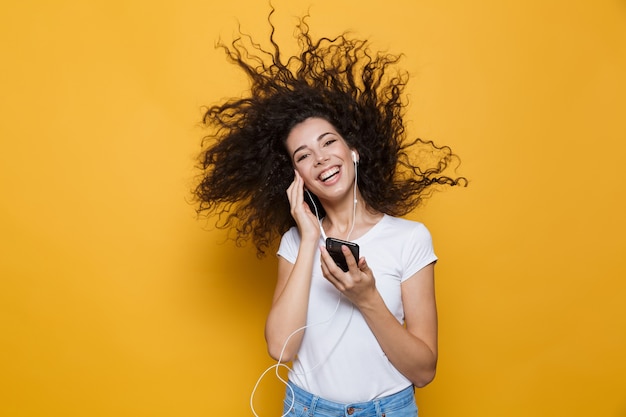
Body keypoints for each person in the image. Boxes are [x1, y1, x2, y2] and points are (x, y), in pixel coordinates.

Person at [194, 9, 465, 417]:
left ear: (353, 151)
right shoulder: (294, 242)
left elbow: (424, 370)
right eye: (304, 156)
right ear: (297, 175)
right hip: (306, 409)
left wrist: (367, 297)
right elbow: (280, 348)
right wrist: (307, 237)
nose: (321, 159)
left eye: (328, 143)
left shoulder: (411, 239)